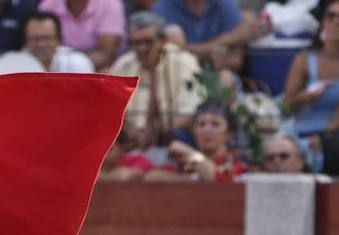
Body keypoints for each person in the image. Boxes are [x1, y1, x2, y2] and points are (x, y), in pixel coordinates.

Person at [110, 10, 205, 150]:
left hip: (171, 137)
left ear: (163, 40)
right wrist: (132, 133)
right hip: (130, 139)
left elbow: (189, 113)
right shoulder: (124, 64)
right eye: (136, 43)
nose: (142, 48)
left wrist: (153, 132)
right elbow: (112, 109)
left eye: (148, 42)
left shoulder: (184, 62)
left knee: (179, 135)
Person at [282, 0, 339, 138]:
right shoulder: (304, 58)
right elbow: (286, 107)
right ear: (323, 20)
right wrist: (303, 98)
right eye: (330, 15)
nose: (335, 21)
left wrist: (326, 136)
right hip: (303, 132)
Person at [146, 99, 247, 181]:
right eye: (201, 124)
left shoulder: (234, 163)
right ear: (194, 131)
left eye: (215, 124)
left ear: (228, 133)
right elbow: (151, 177)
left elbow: (214, 177)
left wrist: (191, 154)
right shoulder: (186, 162)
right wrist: (191, 179)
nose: (207, 130)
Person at [152, 0, 259, 74]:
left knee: (226, 78)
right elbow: (168, 56)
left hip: (217, 74)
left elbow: (237, 60)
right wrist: (230, 38)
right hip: (179, 73)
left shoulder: (226, 4)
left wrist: (223, 61)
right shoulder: (163, 7)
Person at [0, 10, 96, 73]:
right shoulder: (12, 66)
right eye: (36, 39)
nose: (42, 44)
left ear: (59, 40)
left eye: (47, 38)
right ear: (25, 41)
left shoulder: (77, 63)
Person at [35, 0, 124, 69]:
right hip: (55, 69)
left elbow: (106, 55)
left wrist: (72, 65)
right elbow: (39, 44)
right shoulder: (49, 4)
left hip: (98, 72)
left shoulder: (109, 4)